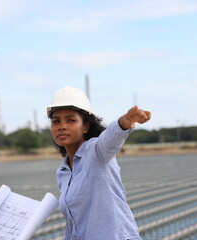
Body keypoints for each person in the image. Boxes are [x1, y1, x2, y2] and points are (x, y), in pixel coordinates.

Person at [47, 86, 151, 240]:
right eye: (56, 121)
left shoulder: (96, 152)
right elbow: (73, 226)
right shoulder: (63, 172)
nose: (62, 126)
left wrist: (125, 121)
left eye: (71, 120)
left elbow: (110, 138)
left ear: (86, 126)